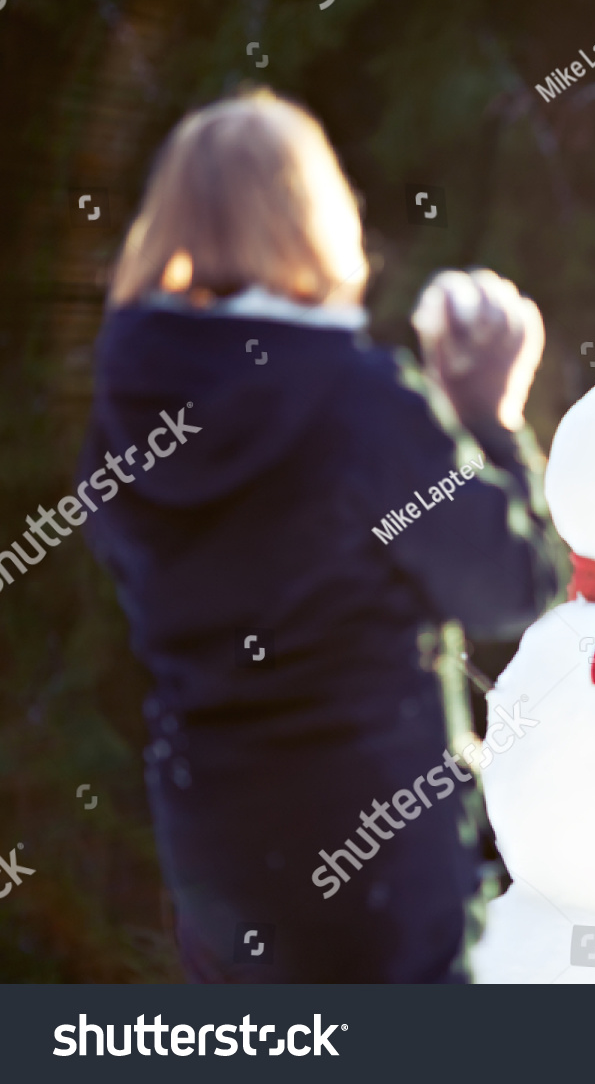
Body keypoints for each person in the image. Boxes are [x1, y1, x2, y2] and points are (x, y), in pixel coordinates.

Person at [78, 88, 567, 981]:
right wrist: (489, 419)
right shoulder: (359, 401)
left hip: (213, 843)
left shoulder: (126, 405)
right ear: (314, 214)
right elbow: (515, 582)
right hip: (373, 841)